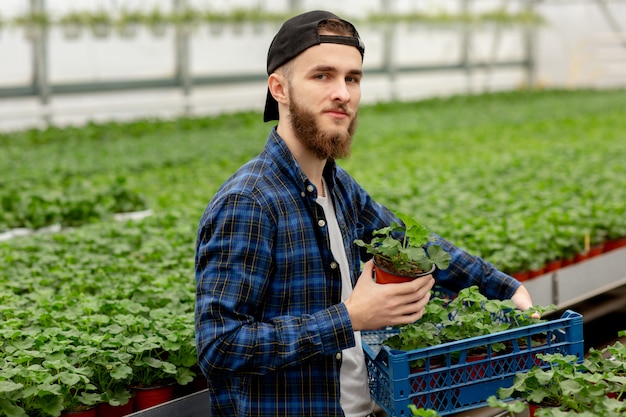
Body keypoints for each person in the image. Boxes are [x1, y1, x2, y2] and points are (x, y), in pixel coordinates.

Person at [195, 10, 535, 417]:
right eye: (322, 76)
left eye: (352, 78)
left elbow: (415, 247)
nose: (342, 92)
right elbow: (220, 345)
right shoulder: (250, 203)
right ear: (279, 88)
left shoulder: (337, 186)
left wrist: (504, 288)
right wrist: (349, 318)